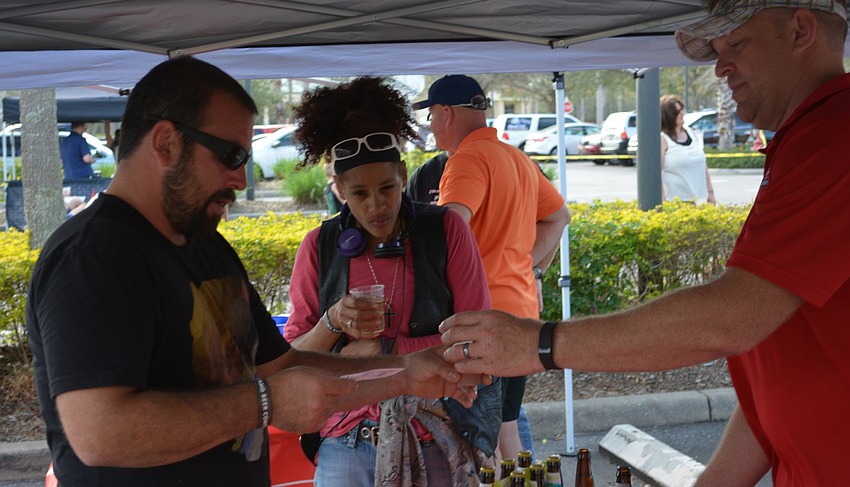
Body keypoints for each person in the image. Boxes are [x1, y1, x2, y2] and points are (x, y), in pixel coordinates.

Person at [439, 0, 849, 486]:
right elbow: (776, 375)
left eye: (737, 45)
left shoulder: (836, 136)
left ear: (800, 30)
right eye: (718, 53)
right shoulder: (803, 143)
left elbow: (731, 319)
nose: (721, 68)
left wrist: (541, 344)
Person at [26, 57, 479, 487]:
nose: (241, 180)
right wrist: (266, 402)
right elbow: (101, 433)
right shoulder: (95, 256)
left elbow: (285, 364)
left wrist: (403, 372)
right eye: (230, 156)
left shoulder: (207, 245)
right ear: (165, 143)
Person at [284, 77, 499, 486]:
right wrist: (332, 321)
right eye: (359, 194)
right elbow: (292, 358)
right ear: (340, 189)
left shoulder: (446, 230)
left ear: (403, 173)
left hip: (435, 434)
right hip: (345, 440)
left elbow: (478, 338)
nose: (376, 205)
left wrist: (385, 351)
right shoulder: (318, 247)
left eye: (386, 187)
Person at [413, 74, 570, 460]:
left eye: (431, 116)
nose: (431, 126)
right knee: (507, 433)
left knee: (480, 444)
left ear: (447, 113)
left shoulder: (467, 158)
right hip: (521, 318)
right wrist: (528, 268)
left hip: (482, 323)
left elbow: (450, 228)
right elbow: (559, 217)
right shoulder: (516, 157)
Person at [659, 94, 716, 204]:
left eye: (682, 110)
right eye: (677, 112)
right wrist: (662, 201)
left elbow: (703, 167)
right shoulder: (662, 139)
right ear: (668, 116)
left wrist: (710, 192)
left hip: (701, 200)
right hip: (677, 202)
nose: (682, 114)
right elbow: (657, 174)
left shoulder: (691, 133)